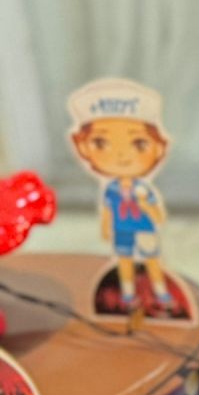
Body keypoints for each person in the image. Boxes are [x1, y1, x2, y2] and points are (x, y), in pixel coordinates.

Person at [68, 79, 174, 313]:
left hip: (145, 228)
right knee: (124, 262)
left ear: (159, 147)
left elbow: (157, 217)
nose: (121, 155)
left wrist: (145, 204)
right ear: (82, 147)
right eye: (101, 142)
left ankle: (161, 293)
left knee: (152, 261)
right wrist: (106, 228)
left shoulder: (145, 190)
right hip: (122, 229)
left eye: (139, 143)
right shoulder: (111, 190)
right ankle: (128, 294)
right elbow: (108, 210)